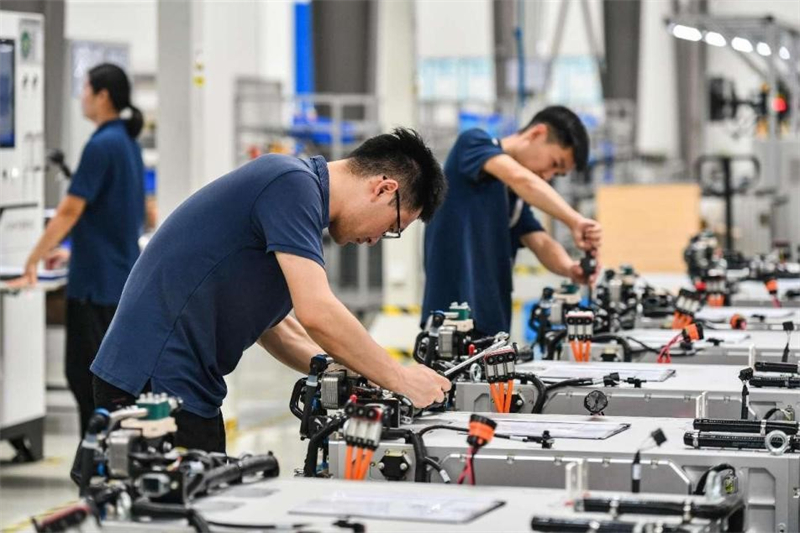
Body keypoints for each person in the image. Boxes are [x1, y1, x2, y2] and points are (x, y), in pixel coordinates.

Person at [89, 127, 452, 452]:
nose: (375, 240)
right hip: (153, 381)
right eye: (392, 226)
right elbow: (317, 312)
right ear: (384, 188)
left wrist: (338, 367)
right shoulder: (290, 185)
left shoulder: (296, 197)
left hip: (173, 381)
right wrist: (399, 377)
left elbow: (275, 327)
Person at [9, 63, 145, 437]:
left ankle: (99, 456)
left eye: (84, 89)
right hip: (117, 277)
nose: (81, 96)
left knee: (85, 376)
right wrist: (73, 251)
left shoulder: (101, 144)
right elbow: (118, 215)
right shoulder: (126, 144)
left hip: (95, 286)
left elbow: (70, 209)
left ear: (102, 96)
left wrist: (33, 256)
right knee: (106, 379)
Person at [422, 105, 603, 337]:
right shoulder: (473, 144)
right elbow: (521, 179)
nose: (547, 176)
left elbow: (540, 241)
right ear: (537, 133)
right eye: (554, 163)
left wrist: (570, 268)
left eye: (556, 174)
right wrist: (575, 220)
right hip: (452, 321)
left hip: (491, 327)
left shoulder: (513, 199)